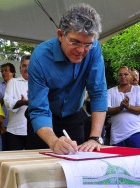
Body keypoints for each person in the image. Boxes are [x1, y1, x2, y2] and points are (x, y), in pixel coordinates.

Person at [28, 3, 107, 155]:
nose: (81, 50)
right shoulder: (40, 57)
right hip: (44, 122)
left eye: (87, 44)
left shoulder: (95, 49)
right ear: (60, 35)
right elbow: (39, 109)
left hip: (74, 117)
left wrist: (95, 138)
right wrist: (53, 141)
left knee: (78, 164)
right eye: (75, 42)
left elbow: (98, 92)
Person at [107, 66, 140, 147]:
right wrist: (120, 107)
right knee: (118, 159)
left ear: (130, 76)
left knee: (135, 158)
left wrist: (128, 106)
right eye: (120, 75)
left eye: (126, 74)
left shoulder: (138, 90)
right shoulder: (110, 91)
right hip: (116, 135)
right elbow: (107, 110)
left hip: (134, 132)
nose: (123, 77)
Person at [4, 55, 30, 150]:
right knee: (14, 162)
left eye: (29, 66)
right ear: (20, 68)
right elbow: (7, 102)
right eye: (24, 66)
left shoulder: (39, 82)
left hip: (34, 131)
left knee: (31, 162)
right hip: (15, 130)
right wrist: (21, 102)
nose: (27, 68)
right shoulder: (13, 82)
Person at [0, 63, 16, 150]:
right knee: (2, 151)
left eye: (6, 71)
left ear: (12, 72)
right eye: (2, 71)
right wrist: (5, 98)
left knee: (14, 152)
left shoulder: (18, 85)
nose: (3, 73)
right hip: (2, 125)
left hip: (16, 126)